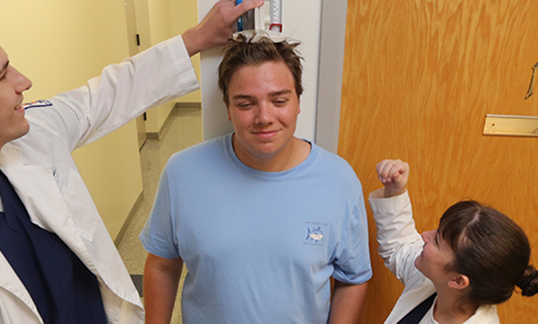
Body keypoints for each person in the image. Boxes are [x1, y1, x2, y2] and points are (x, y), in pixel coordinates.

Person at [0, 1, 262, 323]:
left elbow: (102, 97)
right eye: (2, 76)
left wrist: (195, 38)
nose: (23, 81)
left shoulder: (33, 133)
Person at [139, 36, 372, 324]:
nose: (264, 117)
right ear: (228, 108)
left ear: (298, 101)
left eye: (279, 101)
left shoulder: (339, 180)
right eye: (246, 103)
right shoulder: (182, 173)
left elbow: (353, 277)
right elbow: (162, 265)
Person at [368, 159, 538, 324]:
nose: (424, 235)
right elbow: (402, 246)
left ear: (458, 281)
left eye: (437, 241)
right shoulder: (440, 285)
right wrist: (395, 191)